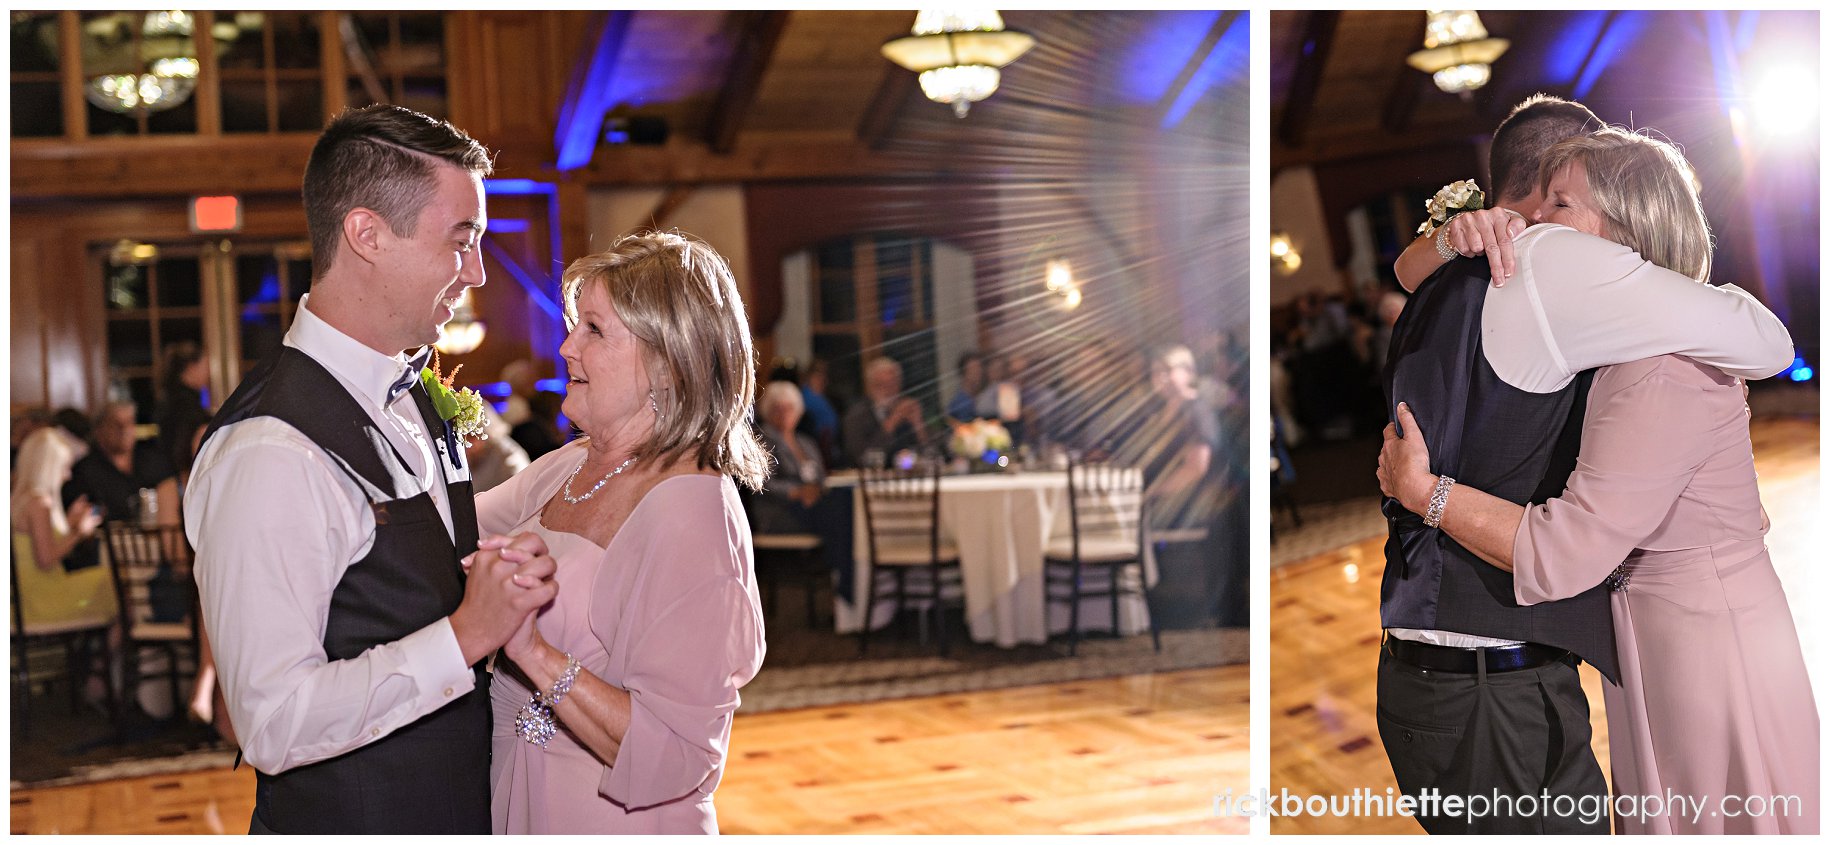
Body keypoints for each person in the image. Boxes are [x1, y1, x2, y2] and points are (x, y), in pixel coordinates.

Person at [1373, 95, 1795, 834]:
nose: (1542, 225)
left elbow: (1769, 342)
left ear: (1627, 232)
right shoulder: (1540, 265)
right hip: (1501, 681)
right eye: (1552, 197)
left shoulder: (1469, 270)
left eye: (1567, 203)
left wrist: (1423, 491)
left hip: (1668, 643)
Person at [186, 104, 558, 834]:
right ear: (367, 234)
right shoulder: (271, 449)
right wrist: (464, 635)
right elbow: (270, 720)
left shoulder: (413, 389)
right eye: (462, 240)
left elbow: (416, 553)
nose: (477, 271)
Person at [475, 232, 767, 834]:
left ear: (668, 361)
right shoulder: (572, 464)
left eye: (594, 330)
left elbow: (677, 754)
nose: (565, 348)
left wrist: (531, 650)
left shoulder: (694, 513)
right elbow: (448, 532)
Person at [11, 427, 115, 637]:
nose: (68, 476)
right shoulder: (39, 502)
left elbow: (40, 546)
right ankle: (113, 663)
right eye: (64, 468)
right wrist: (78, 531)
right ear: (48, 468)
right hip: (42, 600)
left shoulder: (20, 499)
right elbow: (46, 559)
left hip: (24, 600)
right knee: (114, 582)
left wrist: (69, 523)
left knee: (110, 586)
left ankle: (97, 660)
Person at [754, 380, 825, 534]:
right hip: (779, 511)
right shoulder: (763, 440)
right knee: (835, 520)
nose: (784, 414)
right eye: (777, 409)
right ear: (767, 411)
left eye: (789, 408)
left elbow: (820, 477)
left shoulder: (806, 442)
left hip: (810, 506)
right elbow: (764, 484)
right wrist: (797, 492)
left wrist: (814, 491)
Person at [841, 357, 929, 467]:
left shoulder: (908, 409)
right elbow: (862, 458)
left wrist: (918, 425)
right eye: (881, 384)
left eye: (893, 383)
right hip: (870, 481)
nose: (888, 390)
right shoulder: (856, 416)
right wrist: (892, 422)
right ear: (870, 387)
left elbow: (934, 454)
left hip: (910, 477)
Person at [156, 341, 212, 482]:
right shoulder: (187, 405)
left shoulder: (169, 398)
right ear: (192, 367)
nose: (208, 373)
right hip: (185, 478)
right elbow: (183, 449)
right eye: (205, 366)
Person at [946, 352, 987, 421]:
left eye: (979, 369)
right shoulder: (961, 403)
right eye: (973, 370)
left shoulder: (979, 397)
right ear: (964, 373)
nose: (978, 374)